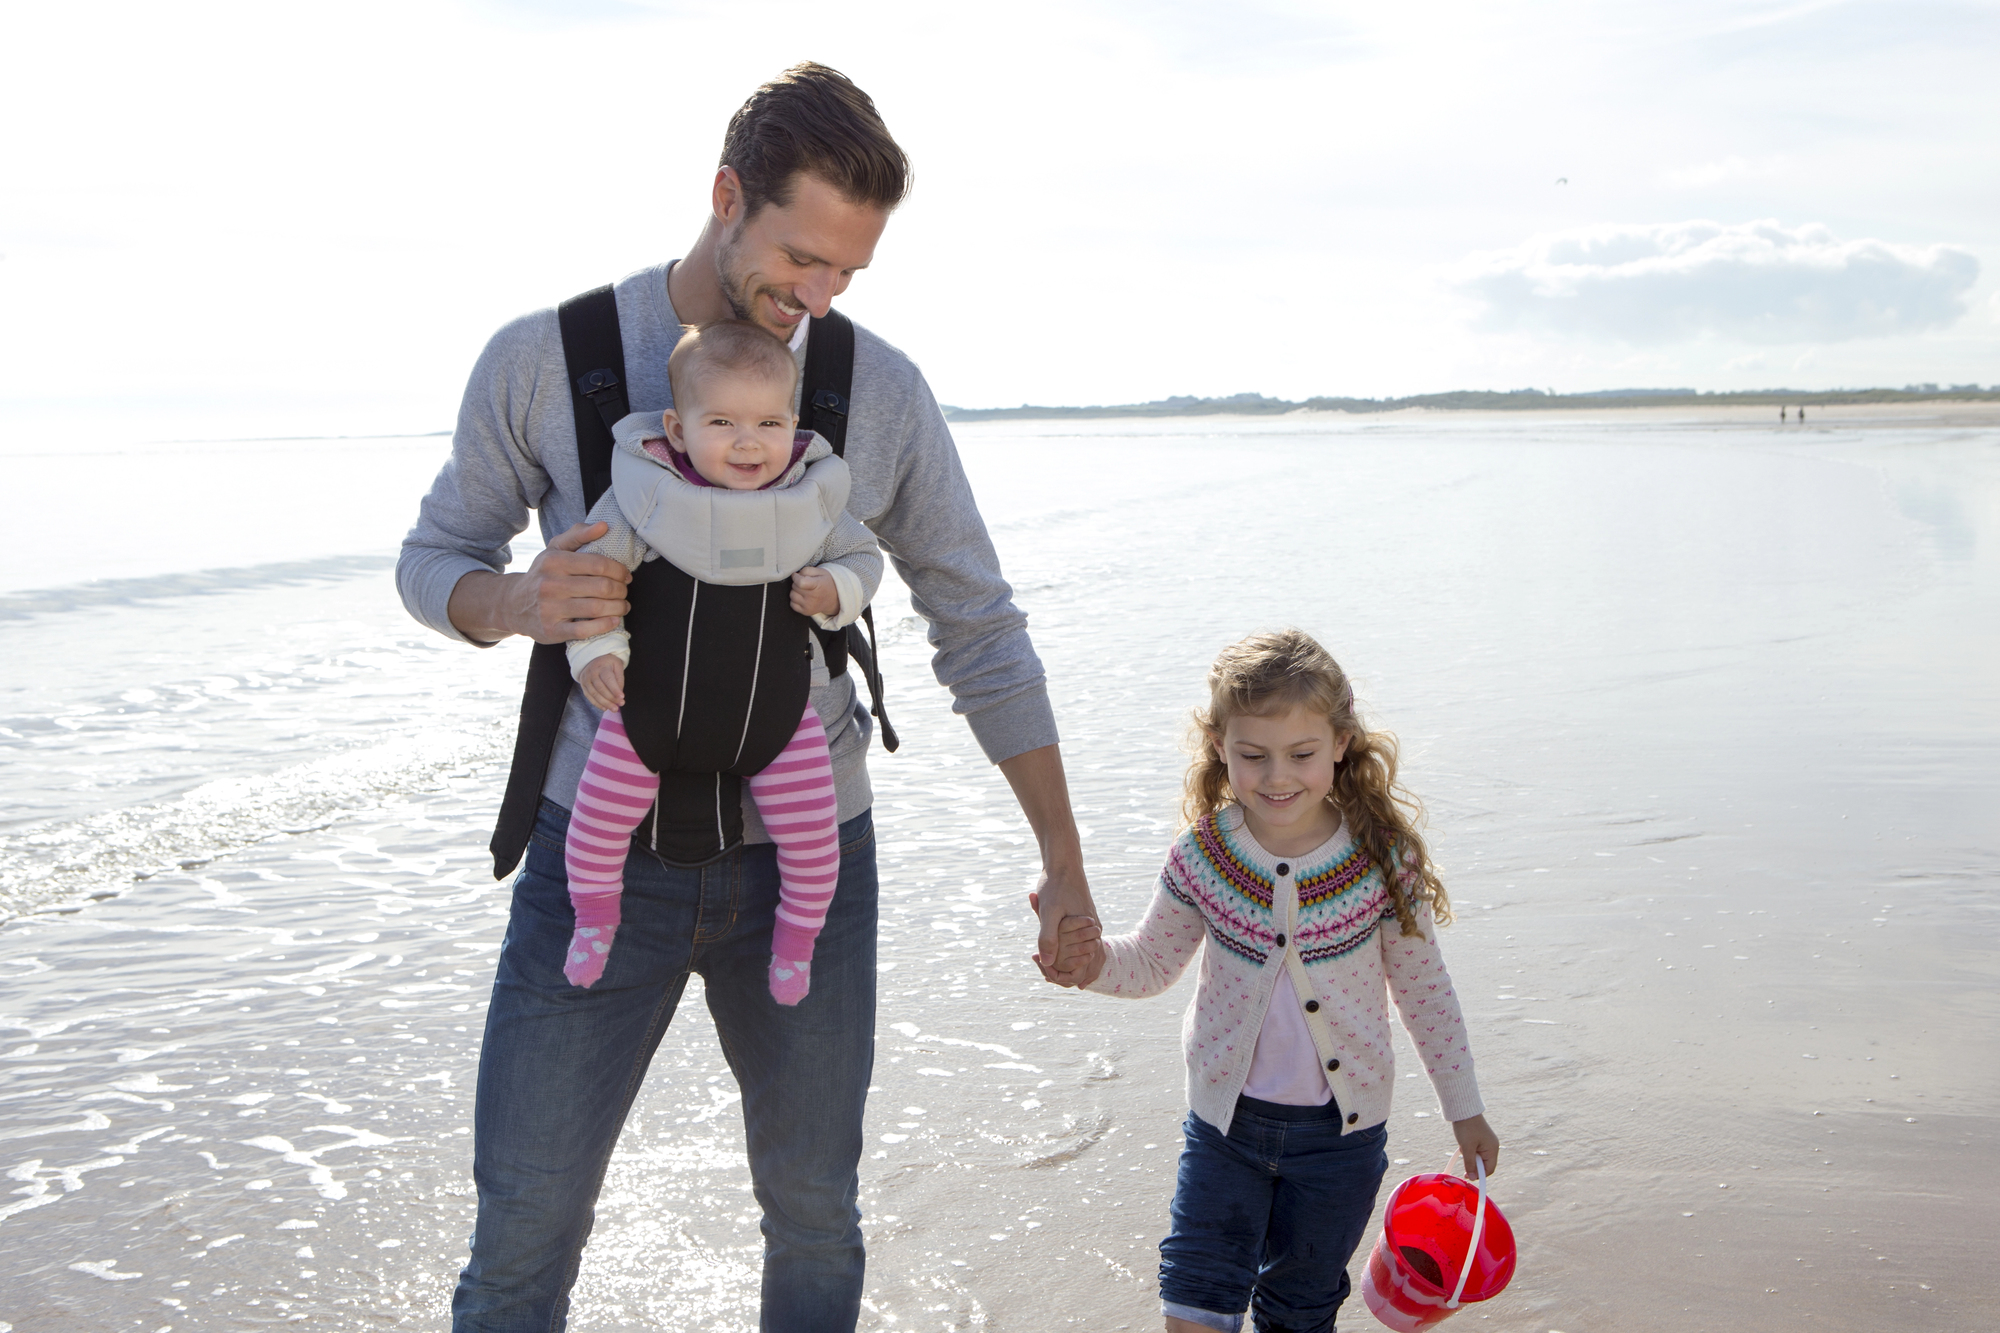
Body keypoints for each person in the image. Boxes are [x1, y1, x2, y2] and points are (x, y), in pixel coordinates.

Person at [396, 62, 1101, 1333]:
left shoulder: (872, 389)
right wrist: (515, 604)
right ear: (726, 197)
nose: (815, 300)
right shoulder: (544, 360)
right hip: (596, 858)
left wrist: (1061, 857)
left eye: (847, 275)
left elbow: (977, 620)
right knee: (520, 1238)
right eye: (798, 259)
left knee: (815, 1217)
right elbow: (431, 559)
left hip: (808, 863)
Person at [1052, 629, 1499, 1333]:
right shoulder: (1205, 855)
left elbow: (1425, 990)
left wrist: (1464, 1106)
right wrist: (1089, 966)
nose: (1276, 776)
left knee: (1299, 1314)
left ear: (1341, 743)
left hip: (1341, 1141)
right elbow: (1149, 962)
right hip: (1225, 1128)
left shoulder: (1380, 860)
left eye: (1301, 754)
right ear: (1220, 746)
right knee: (1193, 1306)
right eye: (1252, 756)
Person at [561, 319, 882, 1004]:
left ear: (795, 423)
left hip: (777, 718)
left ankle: (795, 944)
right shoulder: (640, 497)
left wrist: (837, 592)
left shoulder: (809, 500)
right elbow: (592, 578)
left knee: (815, 842)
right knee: (595, 819)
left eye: (770, 421)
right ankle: (594, 917)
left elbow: (864, 561)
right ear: (676, 430)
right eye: (724, 422)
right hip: (645, 709)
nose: (748, 441)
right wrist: (596, 652)